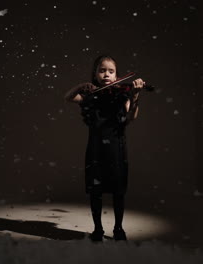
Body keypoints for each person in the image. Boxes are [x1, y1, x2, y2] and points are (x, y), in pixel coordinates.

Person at [64, 55, 144, 242]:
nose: (106, 74)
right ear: (95, 74)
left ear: (116, 76)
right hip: (96, 148)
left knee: (118, 191)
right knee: (95, 191)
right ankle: (98, 229)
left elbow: (131, 117)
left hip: (117, 147)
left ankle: (118, 228)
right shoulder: (90, 96)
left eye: (111, 71)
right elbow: (67, 97)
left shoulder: (122, 94)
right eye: (102, 70)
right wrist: (83, 85)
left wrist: (136, 95)